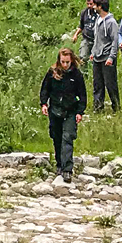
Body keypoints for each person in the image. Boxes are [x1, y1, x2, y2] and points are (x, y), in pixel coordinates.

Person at [39, 48, 88, 181]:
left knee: (68, 138)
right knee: (56, 137)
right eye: (63, 62)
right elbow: (45, 89)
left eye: (67, 62)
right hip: (55, 110)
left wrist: (80, 111)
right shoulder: (52, 73)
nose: (65, 65)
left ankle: (67, 169)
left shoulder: (76, 75)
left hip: (70, 111)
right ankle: (59, 164)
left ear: (71, 60)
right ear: (59, 61)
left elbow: (82, 94)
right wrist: (44, 103)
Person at [81, 0, 120, 113]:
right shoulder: (98, 20)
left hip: (107, 57)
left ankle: (116, 107)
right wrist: (93, 52)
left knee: (110, 84)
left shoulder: (111, 23)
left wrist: (111, 57)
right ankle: (98, 107)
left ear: (100, 7)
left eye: (95, 5)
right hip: (97, 57)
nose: (93, 7)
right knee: (97, 84)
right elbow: (97, 38)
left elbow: (115, 41)